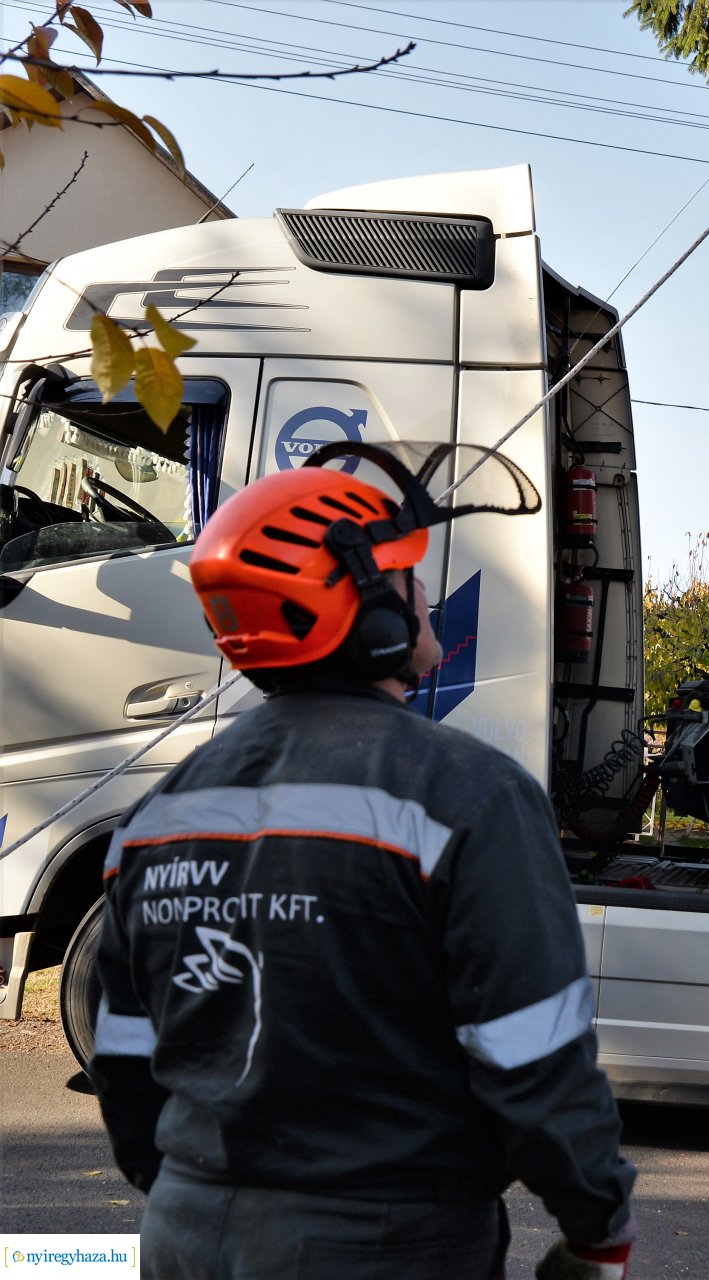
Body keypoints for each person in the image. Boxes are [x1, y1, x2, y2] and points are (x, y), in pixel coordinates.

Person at [86, 443, 637, 1280]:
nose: (425, 596)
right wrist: (597, 1227)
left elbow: (125, 1055)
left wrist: (193, 1196)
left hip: (185, 1232)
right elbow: (534, 1055)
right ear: (369, 609)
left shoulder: (155, 817)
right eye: (407, 577)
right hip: (382, 1242)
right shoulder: (469, 794)